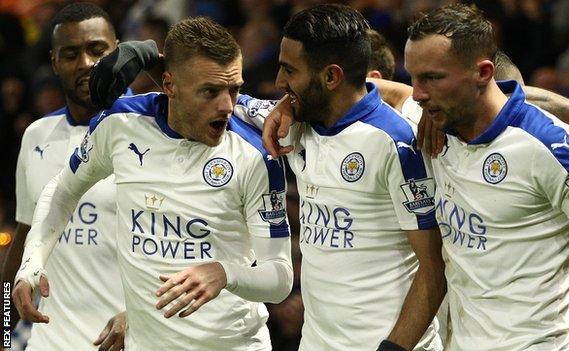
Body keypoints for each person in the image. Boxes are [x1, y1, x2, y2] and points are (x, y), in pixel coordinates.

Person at [87, 6, 446, 350]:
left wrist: (393, 349)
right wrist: (153, 59)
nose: (277, 83)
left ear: (331, 77)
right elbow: (207, 92)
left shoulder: (401, 141)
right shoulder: (292, 125)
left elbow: (433, 272)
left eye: (289, 71)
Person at [12, 16, 293, 351]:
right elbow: (59, 193)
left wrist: (224, 273)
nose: (227, 106)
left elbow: (280, 278)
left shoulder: (257, 150)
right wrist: (29, 267)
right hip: (73, 338)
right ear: (169, 85)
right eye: (211, 91)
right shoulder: (115, 126)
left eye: (234, 89)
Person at [403, 4, 569, 350]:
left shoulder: (550, 145)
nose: (418, 93)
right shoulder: (440, 123)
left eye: (432, 78)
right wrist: (289, 107)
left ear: (483, 72)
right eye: (414, 78)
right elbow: (369, 90)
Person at [1, 3, 128, 350]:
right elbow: (26, 233)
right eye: (71, 54)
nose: (86, 64)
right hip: (50, 340)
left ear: (117, 49)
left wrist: (138, 315)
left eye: (97, 50)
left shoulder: (155, 133)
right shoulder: (37, 136)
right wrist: (2, 329)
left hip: (129, 339)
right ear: (55, 61)